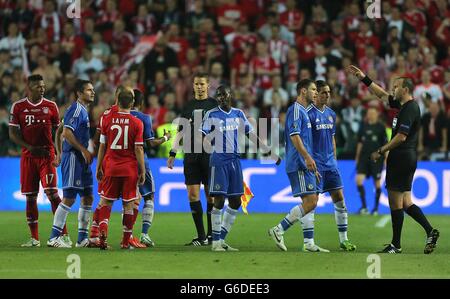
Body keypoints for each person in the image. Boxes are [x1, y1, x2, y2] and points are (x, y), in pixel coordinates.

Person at [347, 65, 440, 254]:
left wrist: (381, 150)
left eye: (396, 87)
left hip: (402, 156)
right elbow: (381, 95)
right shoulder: (404, 105)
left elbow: (401, 137)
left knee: (395, 202)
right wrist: (363, 77)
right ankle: (430, 231)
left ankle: (396, 245)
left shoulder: (410, 108)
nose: (392, 89)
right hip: (406, 157)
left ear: (405, 89)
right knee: (406, 201)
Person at [200, 85, 280, 251]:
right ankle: (215, 242)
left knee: (236, 201)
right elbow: (202, 136)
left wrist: (268, 151)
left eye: (224, 94)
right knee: (219, 200)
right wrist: (207, 143)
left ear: (231, 95)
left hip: (235, 161)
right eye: (218, 96)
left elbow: (251, 135)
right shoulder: (211, 114)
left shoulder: (238, 114)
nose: (221, 98)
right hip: (219, 160)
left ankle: (221, 239)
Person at [8, 74, 69, 247]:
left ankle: (63, 235)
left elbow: (59, 132)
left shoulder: (51, 106)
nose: (42, 89)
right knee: (30, 197)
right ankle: (34, 238)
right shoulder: (18, 106)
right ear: (29, 87)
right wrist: (29, 146)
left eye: (43, 86)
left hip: (47, 155)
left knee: (52, 194)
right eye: (38, 86)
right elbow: (12, 134)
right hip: (28, 156)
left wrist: (59, 153)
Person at [300, 80, 357, 252]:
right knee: (312, 202)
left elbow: (332, 138)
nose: (327, 95)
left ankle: (344, 240)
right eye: (324, 92)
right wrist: (308, 161)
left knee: (340, 199)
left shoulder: (331, 114)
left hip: (331, 165)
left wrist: (334, 159)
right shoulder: (307, 113)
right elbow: (303, 141)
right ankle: (308, 242)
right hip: (315, 165)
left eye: (329, 92)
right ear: (316, 93)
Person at [268, 79, 321, 251]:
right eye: (313, 89)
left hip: (305, 162)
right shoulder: (296, 110)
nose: (316, 93)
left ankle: (308, 243)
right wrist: (306, 158)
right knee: (311, 201)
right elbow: (294, 136)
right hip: (298, 162)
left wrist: (311, 160)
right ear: (303, 91)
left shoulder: (304, 112)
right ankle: (279, 229)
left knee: (311, 200)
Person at [167, 73, 218, 246]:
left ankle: (212, 235)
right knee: (193, 194)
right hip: (190, 154)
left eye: (202, 84)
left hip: (209, 155)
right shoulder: (188, 106)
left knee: (211, 196)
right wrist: (173, 153)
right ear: (193, 85)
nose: (199, 87)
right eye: (196, 84)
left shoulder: (214, 105)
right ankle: (201, 236)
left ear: (208, 85)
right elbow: (181, 131)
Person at [95, 89, 146, 250]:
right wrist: (142, 170)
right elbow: (138, 149)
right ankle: (125, 242)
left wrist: (98, 167)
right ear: (132, 103)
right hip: (129, 169)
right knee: (128, 205)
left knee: (106, 202)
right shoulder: (137, 122)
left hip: (110, 167)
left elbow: (102, 145)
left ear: (117, 102)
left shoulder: (107, 119)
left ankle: (102, 233)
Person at [47, 80, 95, 248]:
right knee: (69, 198)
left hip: (81, 158)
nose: (92, 92)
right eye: (89, 90)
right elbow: (66, 132)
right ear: (79, 93)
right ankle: (54, 238)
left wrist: (58, 153)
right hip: (74, 157)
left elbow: (60, 129)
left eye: (92, 89)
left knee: (88, 196)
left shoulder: (82, 110)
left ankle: (82, 239)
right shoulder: (76, 109)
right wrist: (83, 150)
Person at [130, 89, 171, 247]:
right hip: (140, 162)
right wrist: (166, 137)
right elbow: (150, 143)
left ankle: (125, 235)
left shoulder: (114, 116)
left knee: (124, 200)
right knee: (149, 196)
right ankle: (144, 234)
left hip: (119, 162)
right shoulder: (144, 118)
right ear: (141, 103)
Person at [355, 106, 388, 215]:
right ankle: (364, 207)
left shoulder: (381, 127)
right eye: (369, 113)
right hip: (364, 158)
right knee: (359, 180)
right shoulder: (363, 126)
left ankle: (376, 209)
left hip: (376, 158)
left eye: (372, 113)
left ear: (377, 114)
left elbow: (385, 144)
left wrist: (386, 158)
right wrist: (357, 157)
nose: (370, 115)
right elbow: (360, 142)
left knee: (377, 183)